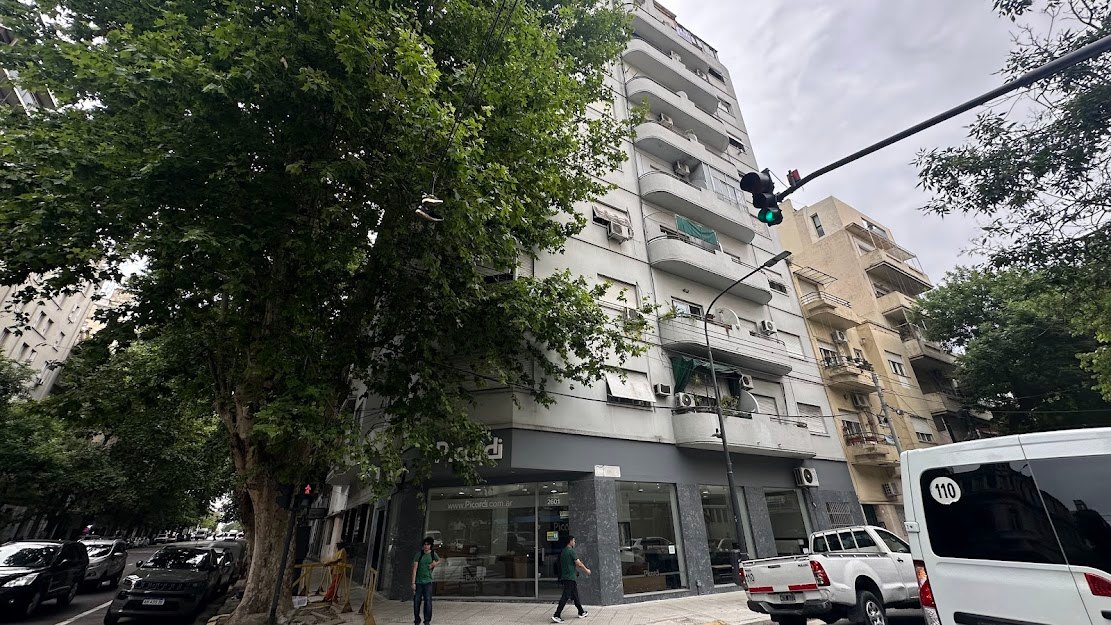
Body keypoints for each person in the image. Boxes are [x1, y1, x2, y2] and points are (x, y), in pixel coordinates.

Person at [552, 536, 590, 623]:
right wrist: (586, 570)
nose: (575, 543)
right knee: (565, 596)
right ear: (570, 541)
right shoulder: (571, 551)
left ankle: (581, 612)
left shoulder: (563, 551)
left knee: (575, 596)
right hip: (570, 577)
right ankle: (557, 615)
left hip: (566, 576)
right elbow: (578, 563)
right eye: (574, 541)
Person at [411, 536, 440, 625]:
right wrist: (413, 582)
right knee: (416, 602)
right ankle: (417, 619)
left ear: (431, 546)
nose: (426, 546)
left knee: (428, 601)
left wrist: (433, 564)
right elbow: (414, 569)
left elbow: (438, 560)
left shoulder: (433, 554)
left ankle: (427, 620)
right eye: (425, 544)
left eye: (428, 544)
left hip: (428, 581)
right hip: (418, 582)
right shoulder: (419, 555)